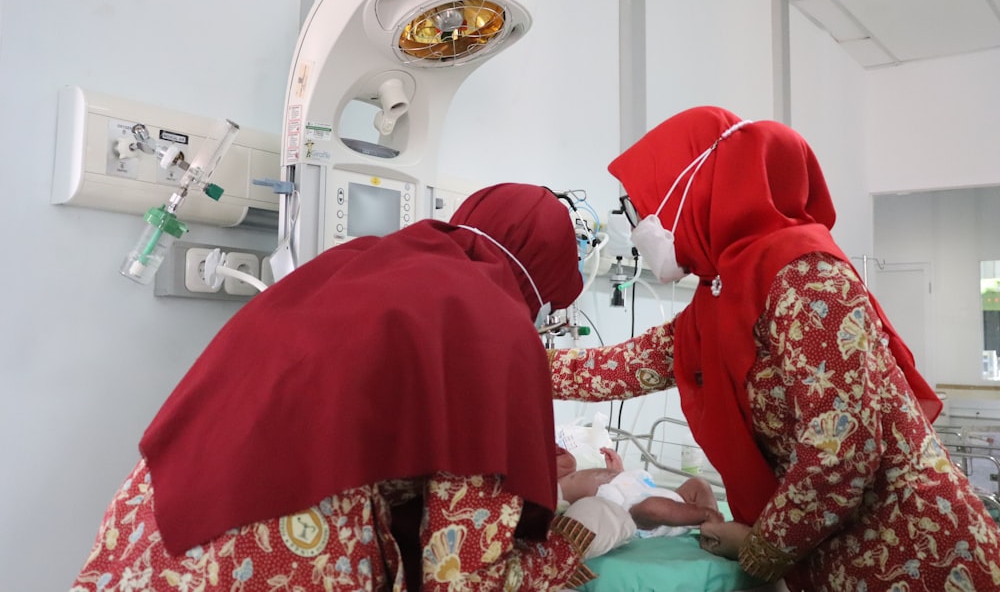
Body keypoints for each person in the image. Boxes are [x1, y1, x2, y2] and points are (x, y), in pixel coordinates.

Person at [70, 183, 611, 592]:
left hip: (152, 520)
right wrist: (574, 539)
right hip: (278, 554)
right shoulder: (497, 327)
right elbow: (459, 575)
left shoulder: (364, 263)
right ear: (542, 284)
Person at [548, 107, 1000, 591]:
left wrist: (760, 546)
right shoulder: (721, 294)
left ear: (693, 193)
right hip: (832, 553)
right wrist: (506, 357)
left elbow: (843, 448)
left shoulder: (807, 279)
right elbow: (620, 367)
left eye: (639, 209)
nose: (637, 228)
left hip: (915, 552)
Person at [557, 446, 723, 538]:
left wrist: (618, 472)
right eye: (551, 451)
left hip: (651, 494)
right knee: (653, 508)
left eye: (558, 445)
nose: (556, 446)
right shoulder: (553, 488)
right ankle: (706, 515)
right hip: (633, 514)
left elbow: (626, 486)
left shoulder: (577, 474)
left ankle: (715, 530)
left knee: (699, 484)